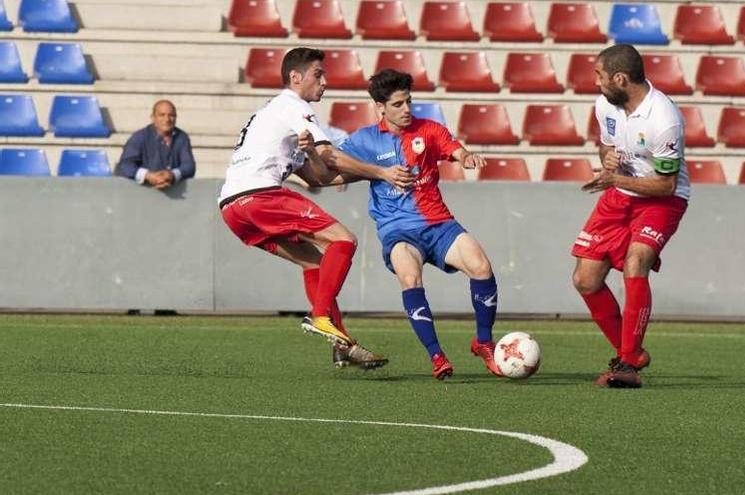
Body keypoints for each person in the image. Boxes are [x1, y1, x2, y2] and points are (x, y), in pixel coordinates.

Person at [218, 48, 414, 369]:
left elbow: (319, 176)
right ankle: (321, 315)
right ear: (296, 77)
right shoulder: (294, 106)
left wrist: (347, 167)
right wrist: (382, 172)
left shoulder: (275, 116)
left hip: (232, 208)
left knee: (314, 263)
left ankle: (342, 345)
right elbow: (333, 157)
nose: (325, 81)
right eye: (318, 74)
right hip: (260, 194)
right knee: (344, 240)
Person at [336, 69, 504, 381]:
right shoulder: (365, 140)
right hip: (397, 229)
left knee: (482, 267)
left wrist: (466, 158)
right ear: (380, 107)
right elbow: (336, 164)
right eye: (398, 104)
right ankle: (437, 356)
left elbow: (456, 150)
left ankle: (483, 342)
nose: (406, 110)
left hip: (438, 223)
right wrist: (336, 176)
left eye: (408, 101)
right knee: (410, 278)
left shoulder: (428, 130)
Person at [572, 44, 690, 389]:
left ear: (620, 78)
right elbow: (607, 144)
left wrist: (614, 178)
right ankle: (633, 353)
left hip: (660, 200)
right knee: (586, 280)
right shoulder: (606, 104)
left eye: (600, 75)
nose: (596, 82)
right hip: (618, 195)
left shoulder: (664, 119)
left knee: (636, 261)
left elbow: (666, 185)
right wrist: (607, 156)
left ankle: (626, 362)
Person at [116, 100, 196, 189]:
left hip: (175, 194)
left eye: (171, 115)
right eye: (162, 115)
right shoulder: (139, 137)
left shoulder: (182, 137)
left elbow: (189, 166)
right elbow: (125, 165)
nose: (167, 119)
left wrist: (172, 175)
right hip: (143, 193)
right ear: (153, 118)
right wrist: (148, 176)